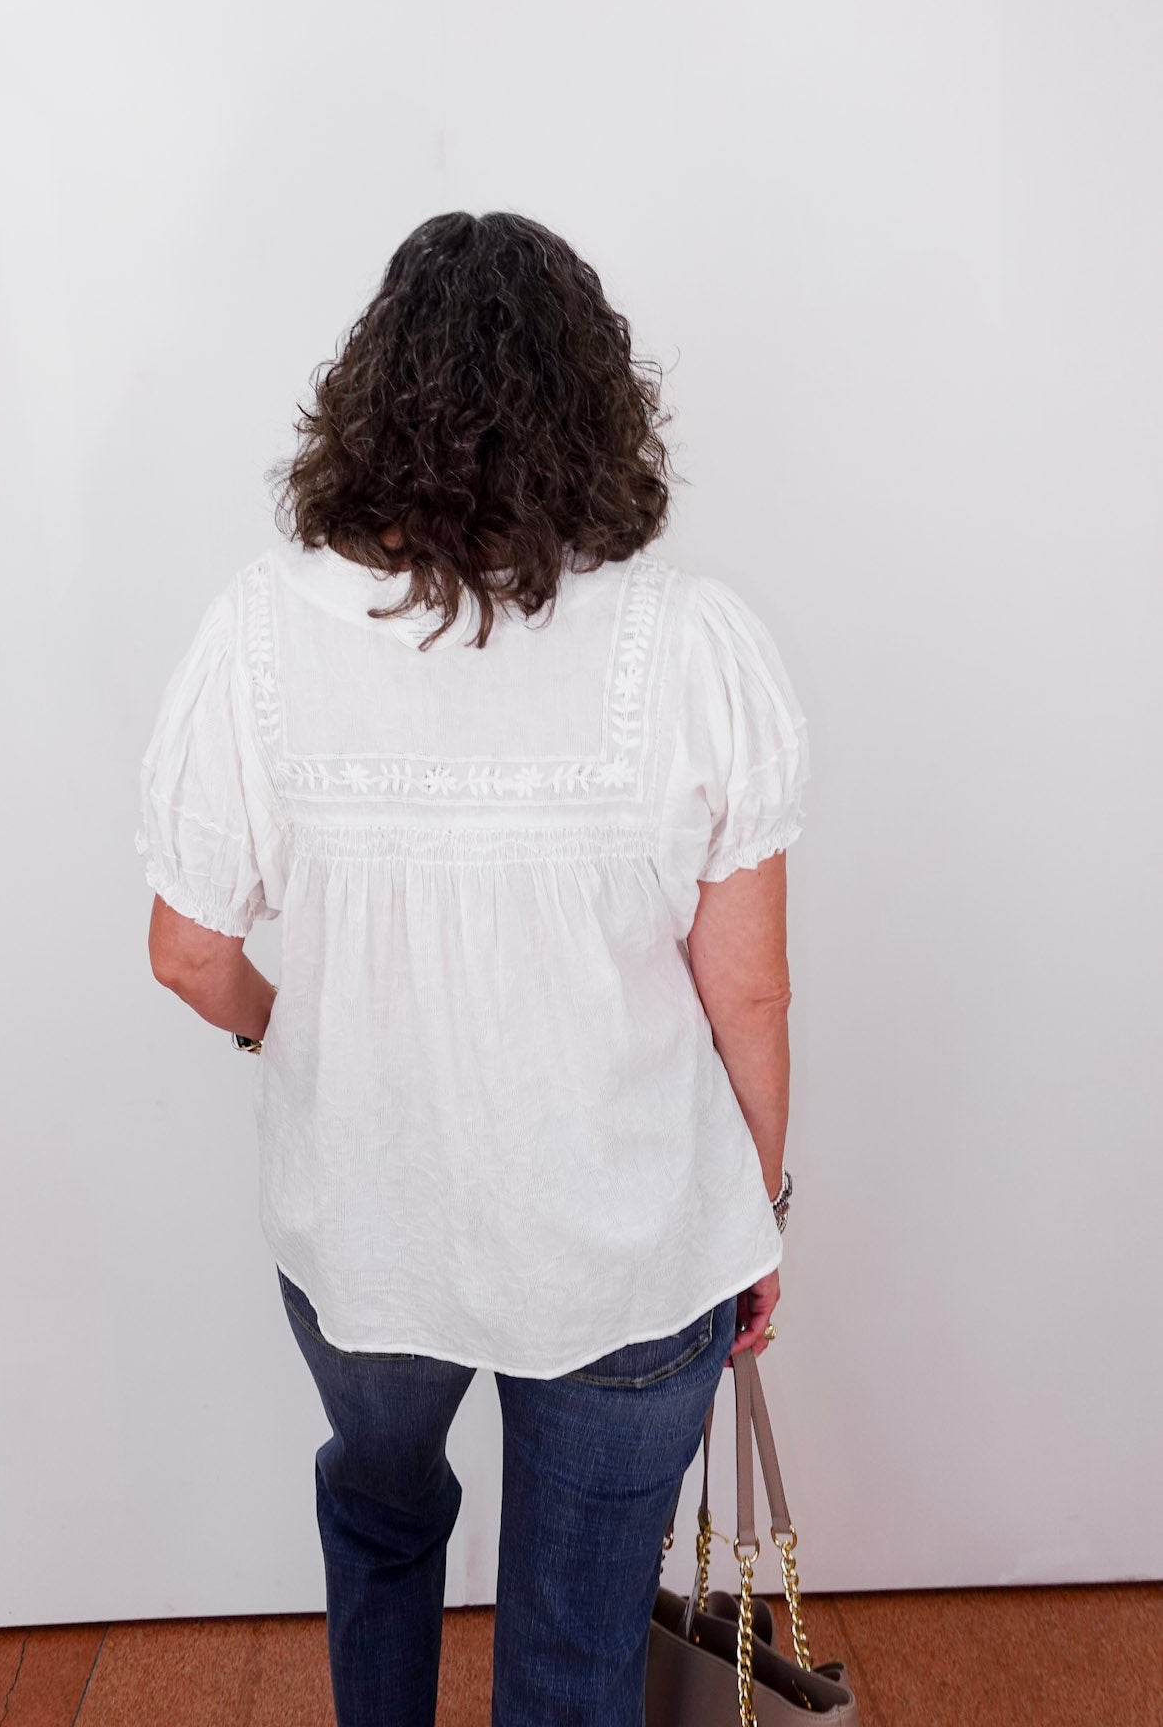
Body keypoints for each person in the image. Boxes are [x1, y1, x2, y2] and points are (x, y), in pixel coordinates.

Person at [135, 210, 810, 1727]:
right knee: (575, 1647)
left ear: (367, 400)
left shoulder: (262, 632)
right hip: (629, 1240)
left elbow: (187, 952)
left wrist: (287, 1031)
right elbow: (749, 996)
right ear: (598, 406)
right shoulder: (691, 642)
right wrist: (756, 1206)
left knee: (381, 1518)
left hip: (364, 1216)